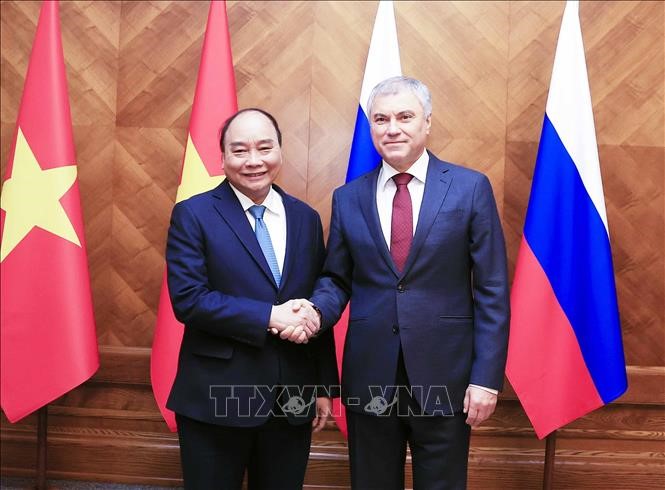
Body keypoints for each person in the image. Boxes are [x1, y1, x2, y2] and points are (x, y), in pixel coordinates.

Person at [306, 76, 510, 489]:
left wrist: (486, 378)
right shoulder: (348, 197)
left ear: (427, 122)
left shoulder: (470, 188)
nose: (392, 128)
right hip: (370, 375)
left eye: (405, 116)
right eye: (381, 119)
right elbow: (336, 279)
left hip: (446, 375)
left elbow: (492, 289)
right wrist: (313, 312)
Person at [165, 108, 338, 490]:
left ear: (280, 151)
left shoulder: (306, 218)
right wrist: (270, 316)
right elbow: (189, 299)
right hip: (216, 398)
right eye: (240, 150)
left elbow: (314, 301)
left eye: (264, 147)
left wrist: (324, 385)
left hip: (291, 399)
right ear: (222, 158)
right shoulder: (193, 214)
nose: (254, 160)